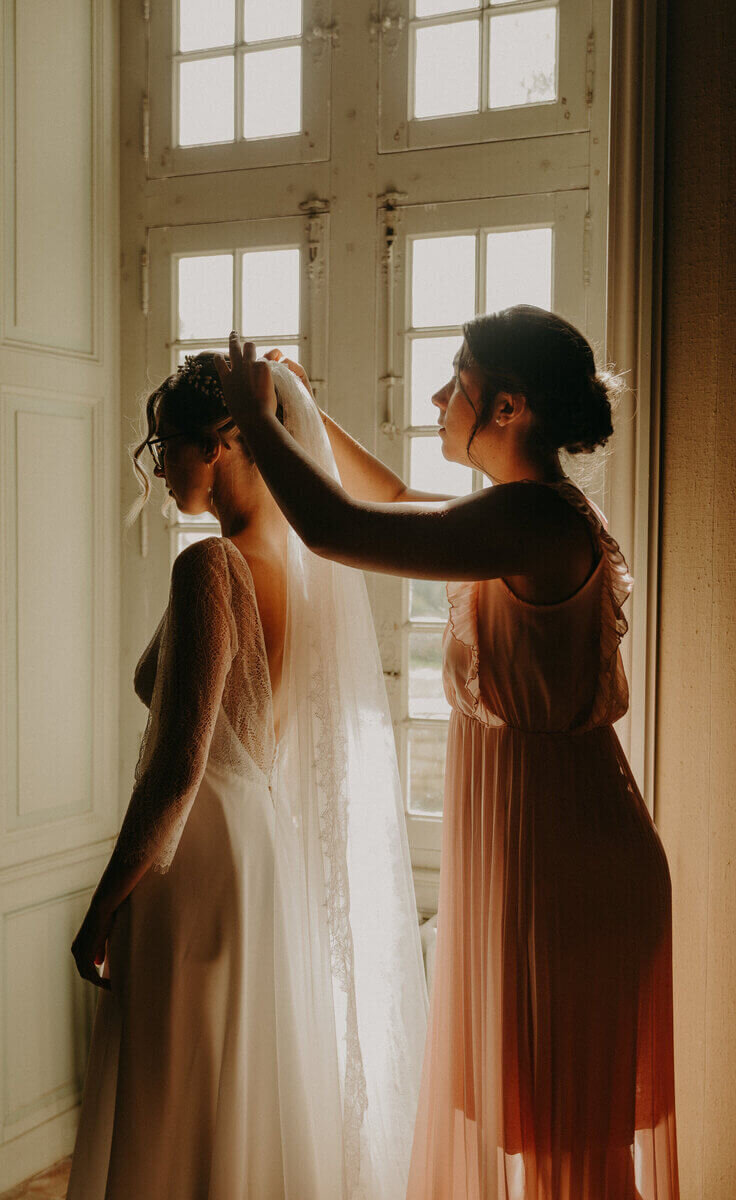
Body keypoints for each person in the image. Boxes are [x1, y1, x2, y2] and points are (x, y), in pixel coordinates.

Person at [216, 308, 680, 1200]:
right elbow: (389, 501)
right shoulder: (516, 511)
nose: (436, 397)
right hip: (533, 850)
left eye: (455, 381)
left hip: (565, 863)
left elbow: (337, 530)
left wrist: (261, 421)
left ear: (506, 407)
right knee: (533, 1124)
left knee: (556, 1137)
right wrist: (313, 412)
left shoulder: (536, 520)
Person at [67, 353, 427, 1200]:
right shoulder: (306, 568)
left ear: (226, 443)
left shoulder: (212, 566)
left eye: (170, 447)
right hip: (258, 851)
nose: (160, 470)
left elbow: (178, 767)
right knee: (235, 1082)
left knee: (176, 1091)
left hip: (195, 855)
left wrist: (99, 912)